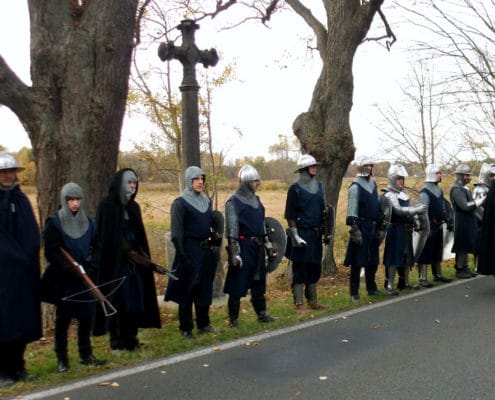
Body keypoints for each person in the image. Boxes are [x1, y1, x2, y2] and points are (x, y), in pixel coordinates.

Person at [92, 168, 161, 351]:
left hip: (134, 266)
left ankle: (131, 340)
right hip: (115, 265)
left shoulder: (133, 207)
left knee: (134, 301)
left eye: (134, 183)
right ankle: (117, 342)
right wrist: (123, 249)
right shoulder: (106, 207)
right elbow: (105, 238)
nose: (132, 186)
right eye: (129, 183)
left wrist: (141, 256)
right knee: (118, 302)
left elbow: (139, 235)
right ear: (121, 184)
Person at [43, 183, 107, 372]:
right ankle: (62, 358)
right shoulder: (54, 223)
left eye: (77, 199)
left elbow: (97, 247)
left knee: (86, 317)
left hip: (84, 276)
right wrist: (70, 268)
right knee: (63, 319)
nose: (74, 204)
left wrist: (90, 264)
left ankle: (85, 354)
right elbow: (51, 252)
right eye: (71, 200)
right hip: (64, 278)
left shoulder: (90, 223)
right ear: (64, 200)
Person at [165, 166, 222, 339]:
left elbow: (210, 224)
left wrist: (215, 236)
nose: (200, 182)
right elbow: (176, 233)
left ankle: (204, 323)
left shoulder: (206, 201)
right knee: (187, 289)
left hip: (206, 250)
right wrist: (182, 254)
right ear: (189, 181)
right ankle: (186, 327)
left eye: (202, 179)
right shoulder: (180, 203)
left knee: (204, 288)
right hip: (188, 250)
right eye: (196, 179)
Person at [0, 152, 42, 386]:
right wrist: (14, 258)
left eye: (10, 172)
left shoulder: (21, 199)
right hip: (4, 275)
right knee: (4, 323)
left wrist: (29, 255)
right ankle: (3, 371)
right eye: (3, 172)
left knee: (23, 320)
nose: (7, 176)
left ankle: (19, 366)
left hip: (24, 273)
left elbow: (31, 233)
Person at [224, 165, 276, 328]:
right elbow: (231, 230)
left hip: (258, 247)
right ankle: (233, 319)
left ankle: (261, 313)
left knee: (259, 281)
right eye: (255, 181)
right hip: (243, 246)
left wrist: (267, 244)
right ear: (246, 182)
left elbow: (262, 224)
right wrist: (234, 252)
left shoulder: (257, 200)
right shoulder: (233, 202)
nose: (258, 184)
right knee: (237, 283)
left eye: (258, 181)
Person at [284, 154, 329, 309]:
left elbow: (323, 211)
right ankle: (298, 303)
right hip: (302, 233)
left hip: (316, 234)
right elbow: (290, 215)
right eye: (312, 166)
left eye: (315, 166)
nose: (315, 168)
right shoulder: (294, 189)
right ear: (304, 169)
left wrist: (326, 231)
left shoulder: (319, 186)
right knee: (300, 268)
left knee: (314, 266)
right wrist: (295, 236)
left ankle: (313, 301)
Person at [382, 164, 427, 294]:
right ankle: (389, 285)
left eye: (402, 178)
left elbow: (409, 213)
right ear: (392, 179)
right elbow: (398, 210)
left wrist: (416, 221)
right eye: (398, 178)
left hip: (406, 230)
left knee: (407, 256)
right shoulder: (389, 195)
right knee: (393, 257)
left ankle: (405, 283)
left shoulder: (403, 194)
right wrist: (416, 209)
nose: (401, 181)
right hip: (395, 230)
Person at [343, 156, 383, 302]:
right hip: (360, 227)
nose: (369, 168)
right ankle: (354, 292)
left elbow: (377, 206)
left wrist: (379, 222)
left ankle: (371, 288)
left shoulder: (373, 185)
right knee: (357, 261)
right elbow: (351, 211)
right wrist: (354, 229)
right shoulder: (355, 187)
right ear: (360, 167)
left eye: (371, 166)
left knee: (372, 260)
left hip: (372, 226)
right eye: (366, 166)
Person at [416, 164, 453, 287]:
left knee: (437, 250)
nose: (440, 175)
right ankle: (423, 277)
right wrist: (425, 228)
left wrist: (447, 219)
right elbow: (422, 212)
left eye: (440, 173)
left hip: (438, 225)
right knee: (425, 251)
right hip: (428, 226)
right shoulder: (424, 192)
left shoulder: (438, 190)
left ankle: (438, 274)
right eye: (438, 173)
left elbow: (442, 207)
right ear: (432, 174)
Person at [449, 164, 485, 279]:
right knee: (461, 245)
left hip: (468, 220)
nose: (468, 177)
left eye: (469, 175)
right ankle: (459, 269)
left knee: (467, 244)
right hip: (461, 221)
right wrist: (481, 200)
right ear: (460, 175)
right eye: (466, 175)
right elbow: (465, 206)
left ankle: (465, 267)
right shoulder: (456, 189)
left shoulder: (464, 188)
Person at [472, 163, 495, 270]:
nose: (492, 178)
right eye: (491, 176)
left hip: (489, 222)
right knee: (479, 243)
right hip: (481, 222)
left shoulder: (491, 188)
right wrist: (487, 219)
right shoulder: (480, 189)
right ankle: (477, 265)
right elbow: (477, 208)